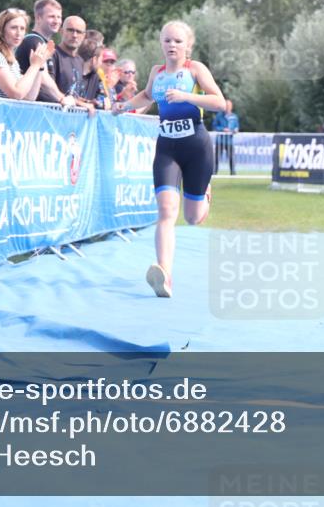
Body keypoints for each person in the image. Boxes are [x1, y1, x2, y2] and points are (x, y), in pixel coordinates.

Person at [112, 21, 226, 298]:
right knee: (166, 212)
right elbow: (147, 96)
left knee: (193, 217)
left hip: (196, 147)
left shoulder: (195, 69)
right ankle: (164, 274)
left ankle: (205, 194)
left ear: (188, 45)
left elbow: (219, 102)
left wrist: (186, 96)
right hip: (167, 149)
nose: (172, 46)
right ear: (161, 43)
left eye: (177, 41)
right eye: (167, 41)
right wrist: (125, 106)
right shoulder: (157, 72)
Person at [0, 8, 60, 102]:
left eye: (22, 28)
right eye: (13, 28)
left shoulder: (12, 61)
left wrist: (39, 67)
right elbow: (16, 93)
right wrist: (34, 65)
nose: (18, 33)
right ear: (1, 30)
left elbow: (29, 97)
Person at [15, 0, 66, 103]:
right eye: (52, 16)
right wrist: (62, 98)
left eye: (59, 17)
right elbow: (43, 78)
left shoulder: (43, 42)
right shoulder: (33, 41)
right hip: (31, 110)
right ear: (38, 18)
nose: (57, 21)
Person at [45, 15, 87, 100]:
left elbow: (74, 94)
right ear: (61, 31)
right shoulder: (52, 54)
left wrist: (88, 102)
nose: (74, 35)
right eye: (70, 30)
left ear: (83, 36)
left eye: (79, 32)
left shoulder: (80, 61)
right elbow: (47, 89)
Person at [211, 99, 240, 175]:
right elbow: (214, 126)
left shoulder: (234, 116)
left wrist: (236, 130)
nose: (227, 107)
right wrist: (222, 129)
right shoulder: (219, 115)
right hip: (220, 140)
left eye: (229, 106)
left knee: (231, 158)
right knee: (216, 158)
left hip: (229, 141)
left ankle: (233, 173)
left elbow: (236, 127)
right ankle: (214, 172)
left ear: (231, 107)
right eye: (226, 106)